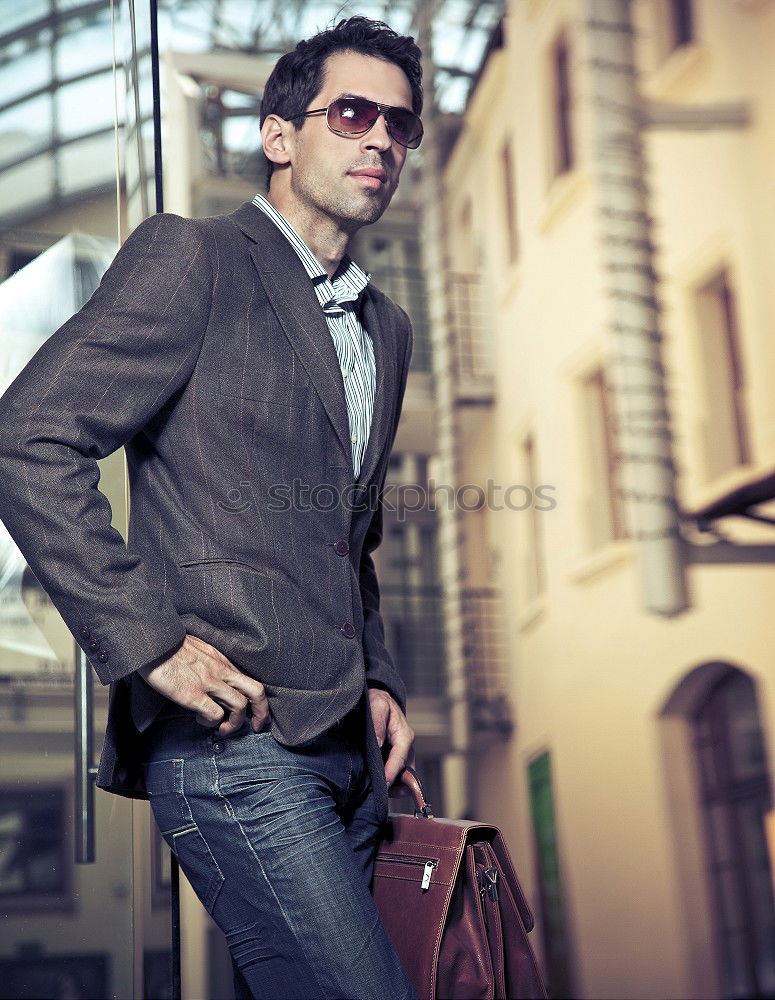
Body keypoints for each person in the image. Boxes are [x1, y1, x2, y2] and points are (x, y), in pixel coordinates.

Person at [0, 15, 424, 1000]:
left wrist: (381, 676)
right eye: (352, 113)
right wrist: (145, 640)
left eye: (399, 126)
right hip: (239, 751)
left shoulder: (386, 328)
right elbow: (30, 435)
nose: (379, 141)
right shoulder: (192, 259)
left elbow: (342, 530)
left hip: (348, 752)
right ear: (280, 136)